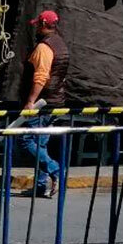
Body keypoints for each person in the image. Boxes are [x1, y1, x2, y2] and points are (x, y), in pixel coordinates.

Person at [19, 10, 71, 198]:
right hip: (55, 100)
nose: (36, 29)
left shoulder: (44, 48)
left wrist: (30, 101)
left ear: (43, 25)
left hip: (41, 104)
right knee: (40, 143)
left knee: (26, 141)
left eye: (37, 25)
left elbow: (41, 77)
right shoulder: (61, 44)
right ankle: (41, 185)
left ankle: (55, 170)